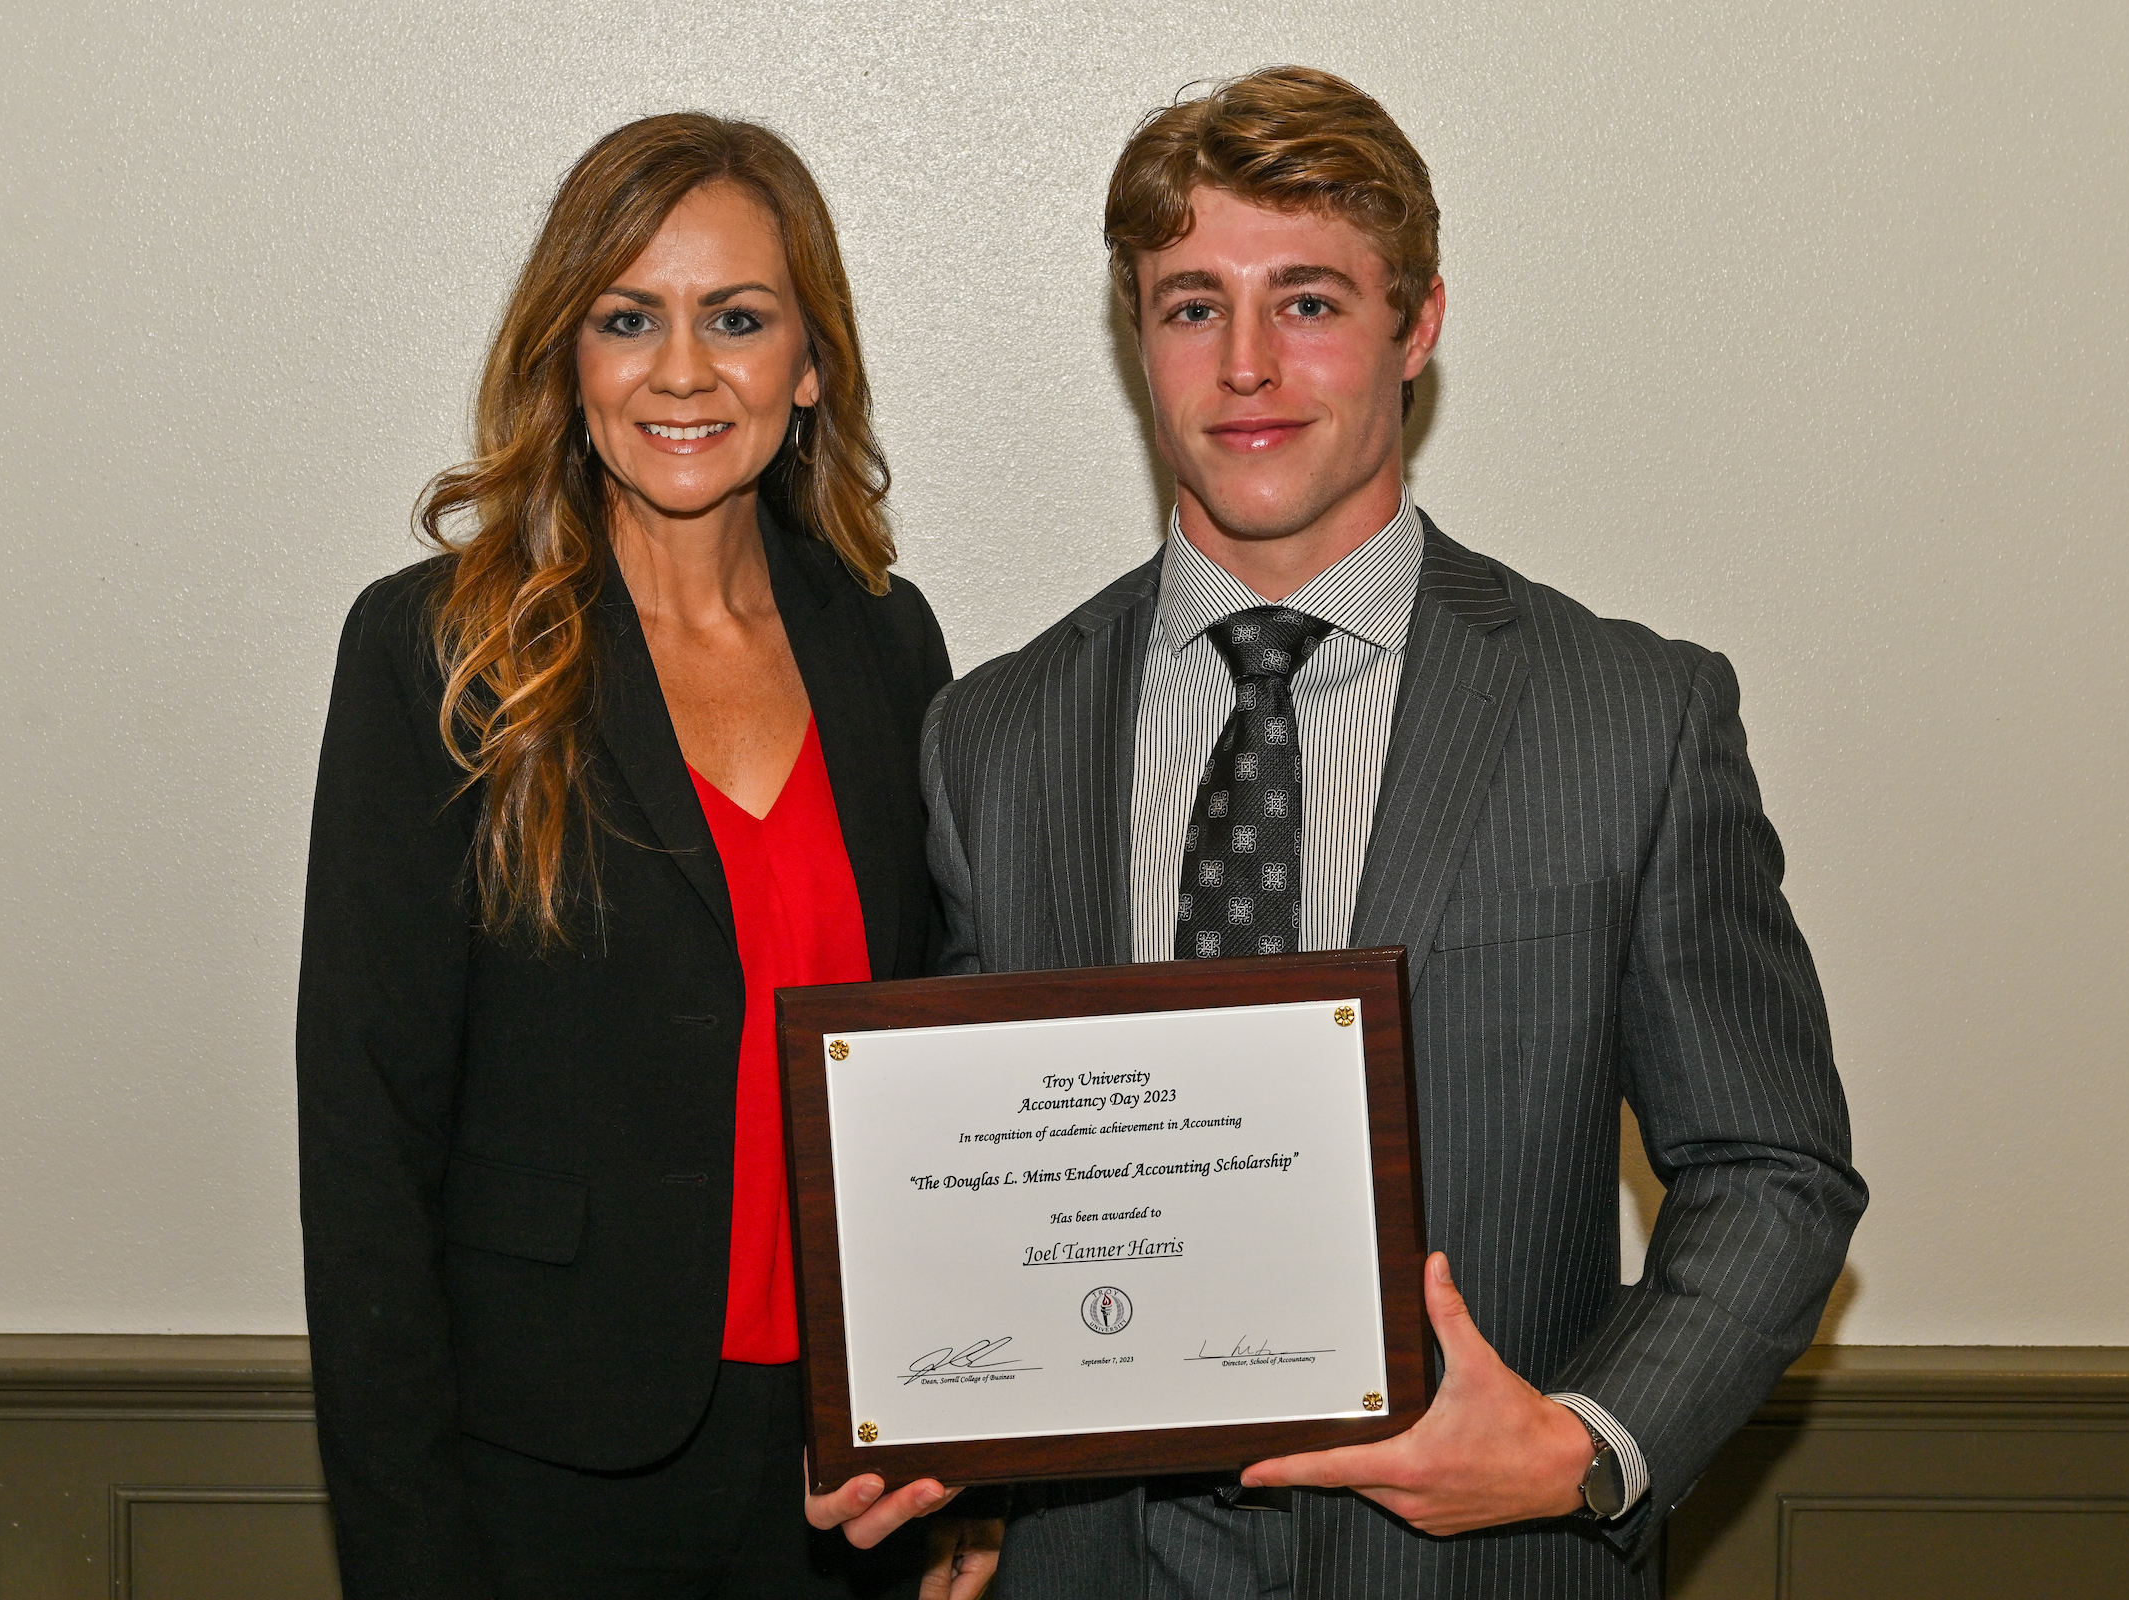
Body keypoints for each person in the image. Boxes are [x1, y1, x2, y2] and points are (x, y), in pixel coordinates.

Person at [824, 66, 1866, 1597]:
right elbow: (986, 1169)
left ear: (1417, 324)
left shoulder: (1631, 719)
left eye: (1307, 302)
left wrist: (1586, 1445)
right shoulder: (992, 737)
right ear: (1138, 338)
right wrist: (942, 1421)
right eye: (1193, 307)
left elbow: (1772, 1166)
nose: (1246, 364)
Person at [298, 113, 956, 1599]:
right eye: (626, 318)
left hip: (848, 1472)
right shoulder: (439, 653)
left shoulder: (889, 642)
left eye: (738, 318)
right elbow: (366, 1141)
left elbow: (935, 1064)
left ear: (810, 363)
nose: (681, 370)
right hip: (542, 1471)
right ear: (568, 358)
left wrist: (963, 1445)